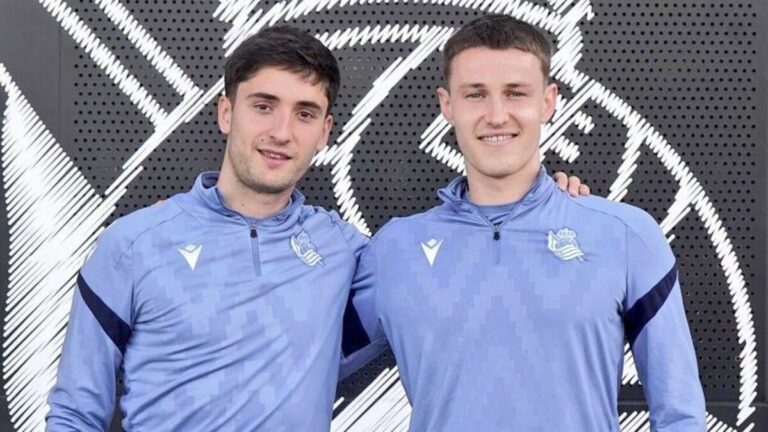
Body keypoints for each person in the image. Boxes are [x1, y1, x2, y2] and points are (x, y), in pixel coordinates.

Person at [46, 25, 588, 431]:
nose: (282, 132)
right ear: (225, 113)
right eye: (264, 106)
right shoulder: (134, 244)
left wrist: (548, 206)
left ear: (326, 131)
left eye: (305, 113)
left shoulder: (351, 252)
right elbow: (74, 412)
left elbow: (475, 252)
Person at [348, 14, 706, 431]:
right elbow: (300, 370)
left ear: (548, 101)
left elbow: (679, 413)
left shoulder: (626, 236)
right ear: (448, 105)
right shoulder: (395, 250)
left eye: (516, 93)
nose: (496, 115)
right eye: (475, 95)